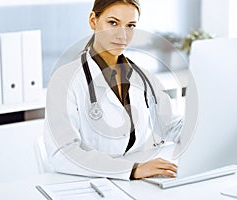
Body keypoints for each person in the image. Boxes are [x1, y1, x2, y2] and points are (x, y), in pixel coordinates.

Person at [44, 0, 183, 180]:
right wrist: (131, 170)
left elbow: (170, 124)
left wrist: (210, 130)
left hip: (138, 183)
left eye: (130, 25)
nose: (122, 36)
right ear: (93, 20)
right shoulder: (64, 79)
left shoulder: (144, 77)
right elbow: (62, 152)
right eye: (113, 23)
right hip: (88, 182)